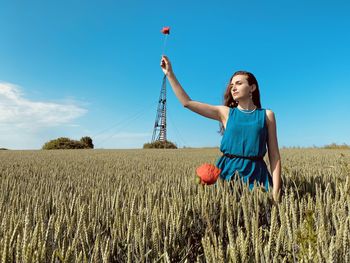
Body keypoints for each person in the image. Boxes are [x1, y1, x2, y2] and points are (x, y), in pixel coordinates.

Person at [160, 55, 282, 202]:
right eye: (231, 85)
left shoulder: (267, 115)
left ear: (252, 87)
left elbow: (274, 156)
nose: (233, 88)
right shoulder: (225, 113)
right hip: (227, 172)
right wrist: (170, 74)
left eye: (238, 83)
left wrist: (276, 191)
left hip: (256, 174)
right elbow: (187, 102)